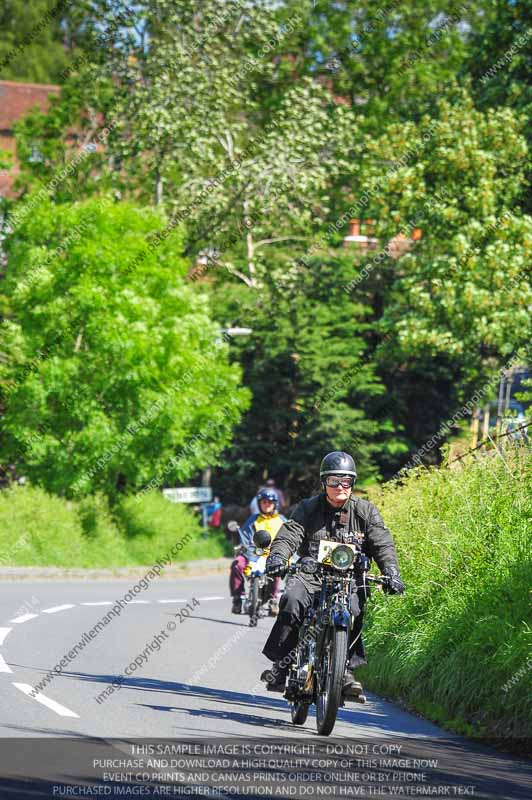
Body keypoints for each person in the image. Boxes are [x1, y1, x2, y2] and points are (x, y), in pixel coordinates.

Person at [260, 451, 405, 699]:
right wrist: (277, 558)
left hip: (350, 578)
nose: (340, 486)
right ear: (324, 482)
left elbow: (382, 544)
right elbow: (289, 535)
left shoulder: (366, 511)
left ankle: (344, 669)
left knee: (355, 610)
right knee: (291, 601)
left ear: (353, 484)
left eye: (346, 481)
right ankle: (282, 666)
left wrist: (391, 573)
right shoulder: (307, 508)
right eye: (334, 481)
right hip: (310, 574)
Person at [230, 489, 287, 616]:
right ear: (259, 504)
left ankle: (273, 599)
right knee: (236, 564)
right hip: (253, 554)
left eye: (270, 502)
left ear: (275, 504)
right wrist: (245, 548)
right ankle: (238, 599)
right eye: (264, 502)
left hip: (273, 555)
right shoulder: (253, 519)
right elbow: (244, 538)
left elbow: (289, 538)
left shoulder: (282, 520)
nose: (266, 504)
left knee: (277, 566)